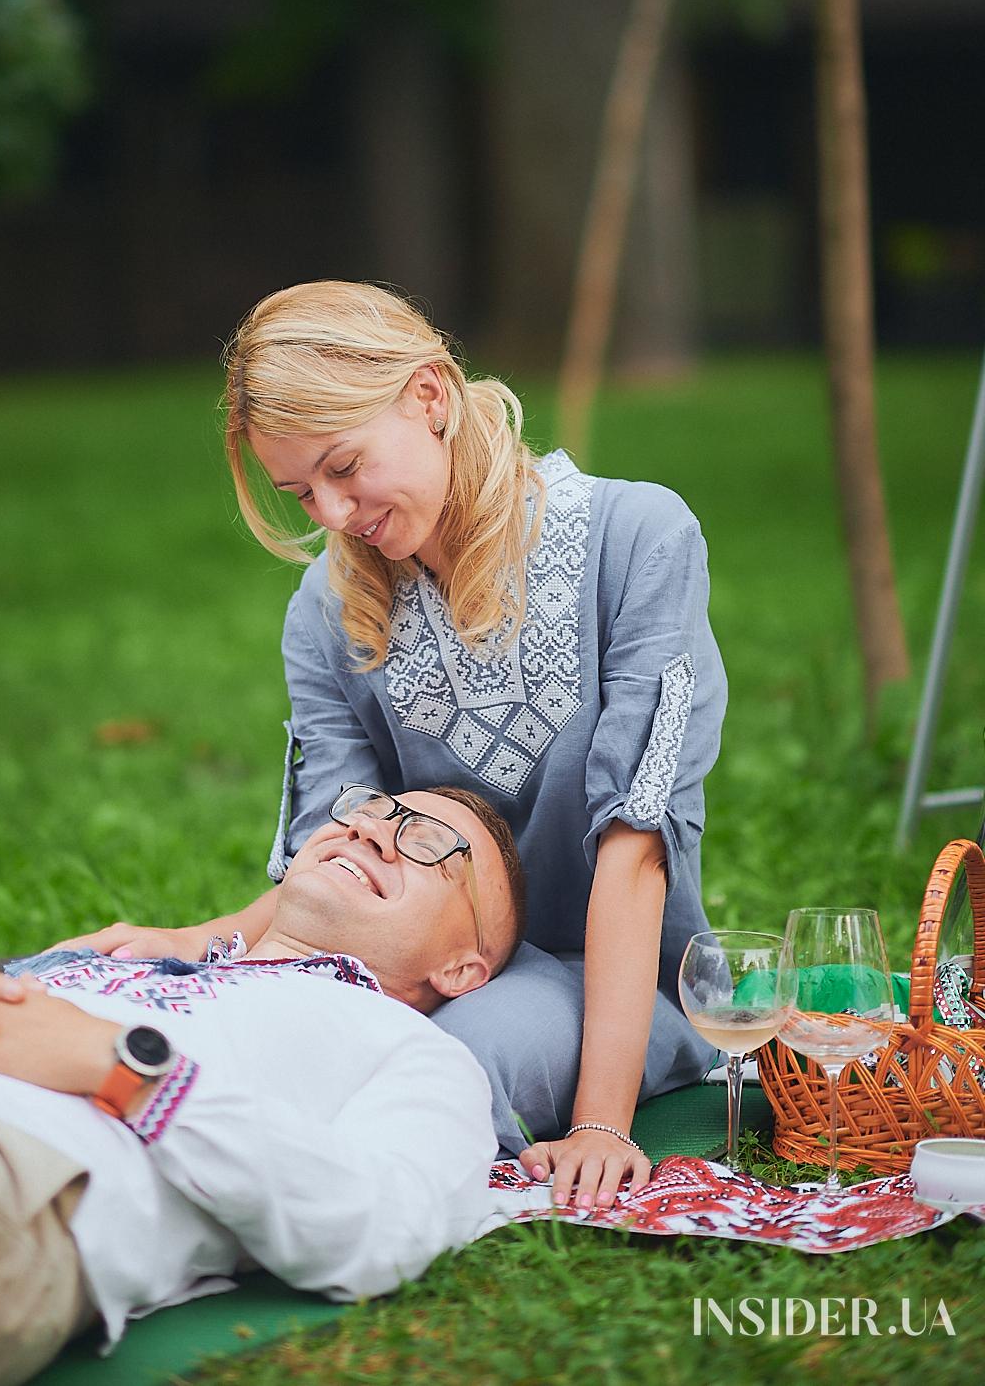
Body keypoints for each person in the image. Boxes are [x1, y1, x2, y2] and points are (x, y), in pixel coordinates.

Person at [57, 280, 726, 1214]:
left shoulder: (638, 540)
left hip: (606, 968)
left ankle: (200, 1171)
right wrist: (189, 949)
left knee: (438, 1064)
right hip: (403, 964)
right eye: (301, 492)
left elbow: (635, 845)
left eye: (344, 467)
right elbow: (328, 856)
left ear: (430, 397)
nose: (330, 514)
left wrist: (602, 1124)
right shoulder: (326, 611)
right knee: (263, 1028)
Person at [0, 785, 522, 1386]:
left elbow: (383, 1229)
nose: (371, 832)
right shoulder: (144, 959)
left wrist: (123, 1069)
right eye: (370, 810)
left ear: (462, 968)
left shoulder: (418, 1053)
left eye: (428, 844)